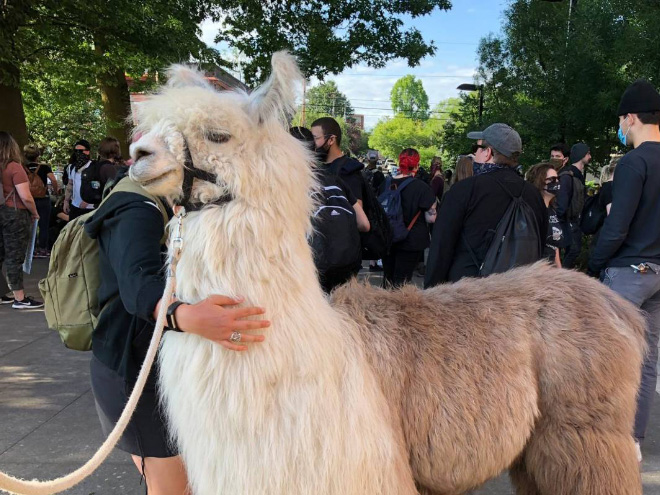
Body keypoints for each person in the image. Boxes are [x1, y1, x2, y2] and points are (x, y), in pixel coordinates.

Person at [84, 170, 271, 494]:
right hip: (133, 371)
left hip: (170, 370)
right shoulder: (136, 204)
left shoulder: (183, 199)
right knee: (172, 485)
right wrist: (188, 317)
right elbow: (137, 285)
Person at [587, 79, 660, 462]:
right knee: (646, 361)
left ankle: (605, 441)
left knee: (608, 360)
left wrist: (594, 264)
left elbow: (617, 227)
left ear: (631, 118)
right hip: (659, 274)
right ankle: (632, 441)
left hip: (628, 272)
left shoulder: (634, 162)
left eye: (622, 120)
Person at [424, 123, 547, 287]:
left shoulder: (464, 190)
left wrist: (431, 294)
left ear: (488, 152)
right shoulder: (534, 195)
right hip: (517, 294)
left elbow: (441, 249)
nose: (474, 153)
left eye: (478, 147)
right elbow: (540, 247)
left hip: (467, 294)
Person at [290, 126, 369, 292]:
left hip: (313, 268)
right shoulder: (335, 180)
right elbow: (364, 225)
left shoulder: (290, 184)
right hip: (349, 265)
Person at [379, 149, 436, 287]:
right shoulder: (422, 187)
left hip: (388, 238)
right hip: (411, 240)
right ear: (417, 165)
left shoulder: (385, 184)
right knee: (402, 281)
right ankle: (398, 307)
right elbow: (431, 219)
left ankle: (385, 304)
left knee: (388, 277)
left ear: (399, 163)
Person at [0, 132, 44, 309]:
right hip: (15, 213)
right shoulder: (14, 167)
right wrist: (34, 212)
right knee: (14, 256)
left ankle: (2, 294)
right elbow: (25, 196)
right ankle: (20, 298)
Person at [310, 117, 364, 206]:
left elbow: (356, 211)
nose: (312, 143)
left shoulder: (348, 170)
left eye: (315, 138)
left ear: (331, 140)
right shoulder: (320, 167)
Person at [556, 142, 590, 269]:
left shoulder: (575, 174)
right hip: (569, 219)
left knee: (573, 250)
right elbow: (564, 199)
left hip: (572, 219)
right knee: (573, 250)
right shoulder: (569, 175)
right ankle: (562, 278)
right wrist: (563, 217)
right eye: (587, 153)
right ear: (581, 155)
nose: (590, 156)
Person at [24, 144, 59, 257]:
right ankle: (43, 249)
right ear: (38, 155)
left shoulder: (22, 167)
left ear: (25, 155)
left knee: (29, 225)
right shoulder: (44, 167)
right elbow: (53, 180)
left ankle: (31, 249)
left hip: (28, 199)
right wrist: (55, 190)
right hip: (43, 199)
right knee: (44, 225)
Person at [526, 162, 563, 267]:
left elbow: (554, 246)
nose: (557, 182)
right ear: (539, 182)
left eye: (557, 178)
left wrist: (560, 272)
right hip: (538, 273)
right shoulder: (532, 212)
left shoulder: (552, 210)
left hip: (551, 273)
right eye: (552, 179)